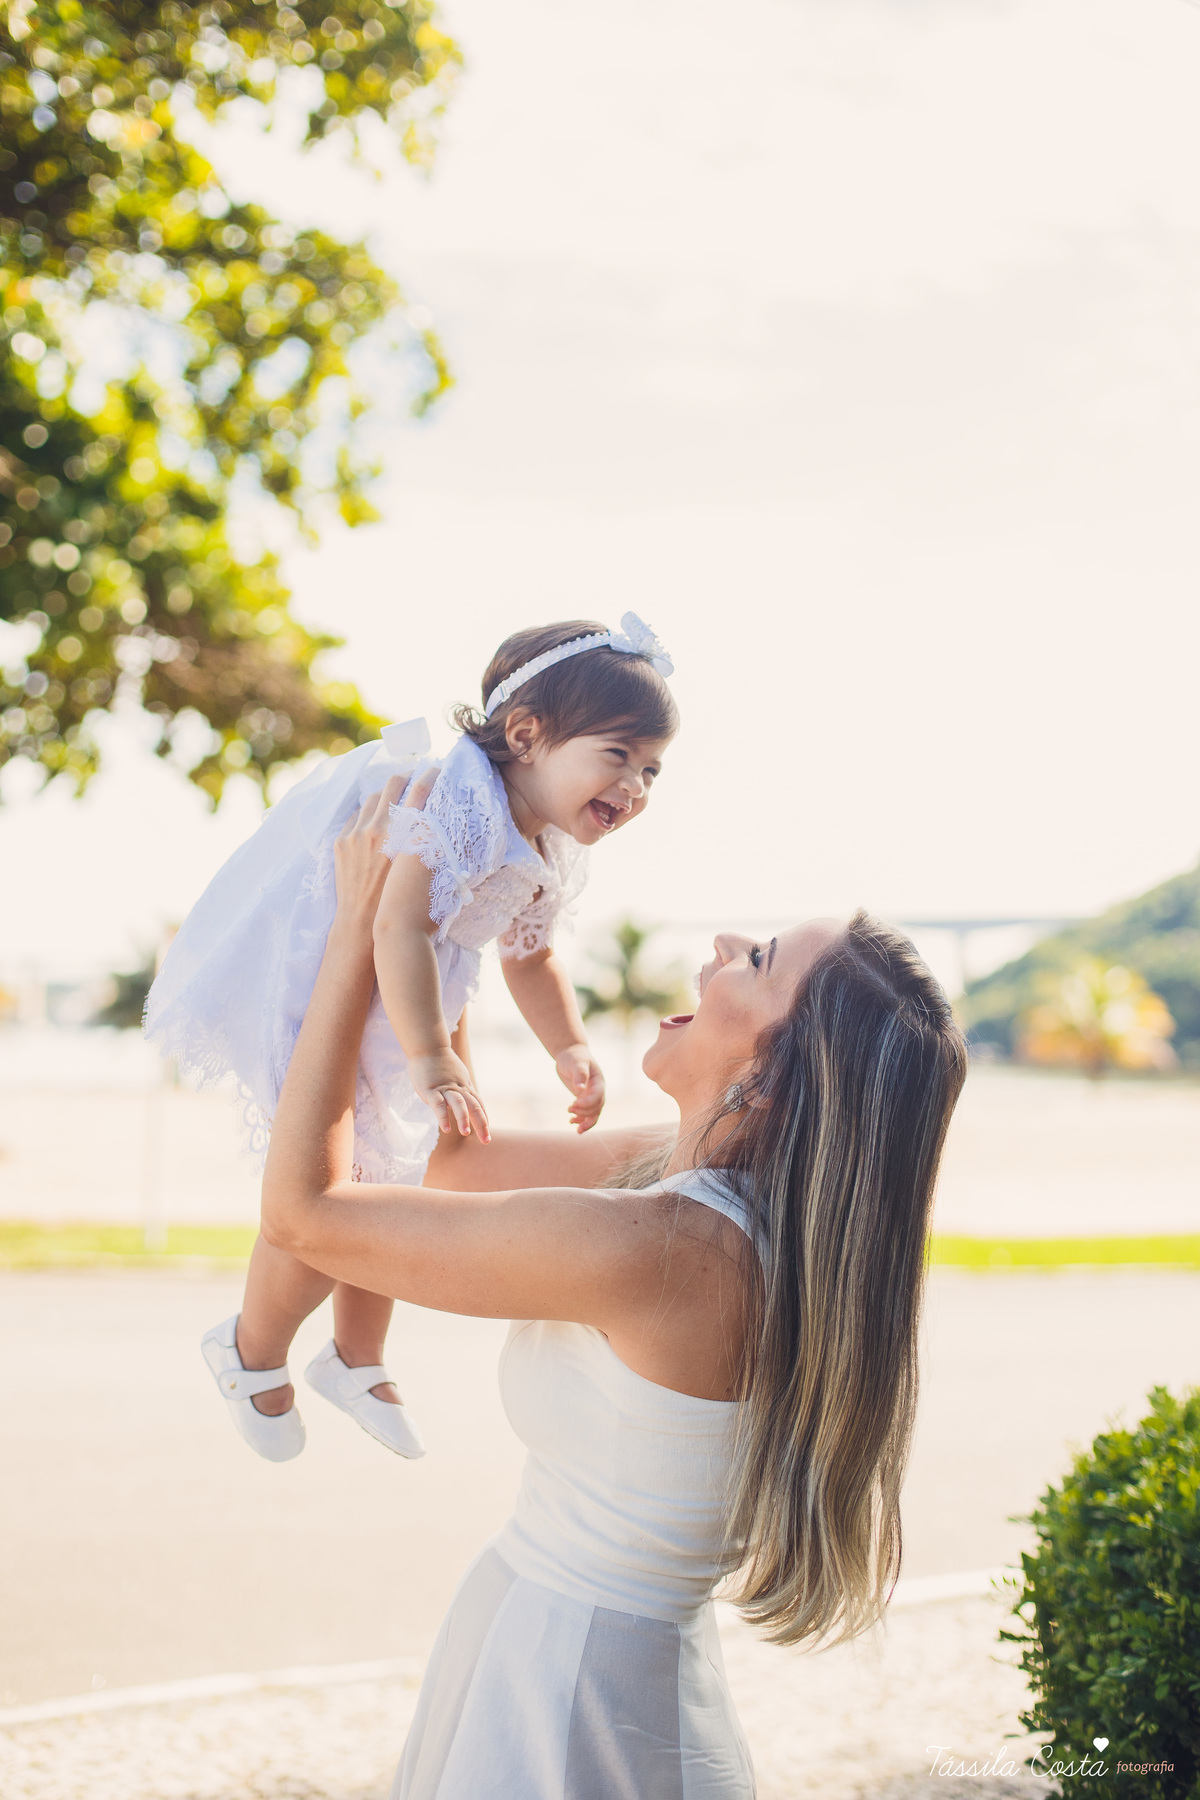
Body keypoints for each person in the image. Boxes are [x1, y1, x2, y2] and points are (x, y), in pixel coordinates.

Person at [258, 779, 970, 1799]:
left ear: (768, 1079)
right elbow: (449, 1168)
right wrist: (432, 939)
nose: (725, 941)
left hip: (574, 1690)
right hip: (551, 1647)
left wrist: (352, 945)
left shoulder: (670, 1251)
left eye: (758, 959)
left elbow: (306, 1217)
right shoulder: (707, 1190)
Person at [144, 614, 677, 1463]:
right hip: (344, 991)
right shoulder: (452, 800)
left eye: (653, 768)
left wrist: (568, 1045)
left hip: (414, 1003)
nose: (639, 786)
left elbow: (531, 956)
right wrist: (436, 1058)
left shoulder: (544, 839)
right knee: (340, 1196)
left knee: (395, 1186)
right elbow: (394, 927)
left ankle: (356, 1355)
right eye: (619, 756)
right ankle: (249, 1350)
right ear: (527, 735)